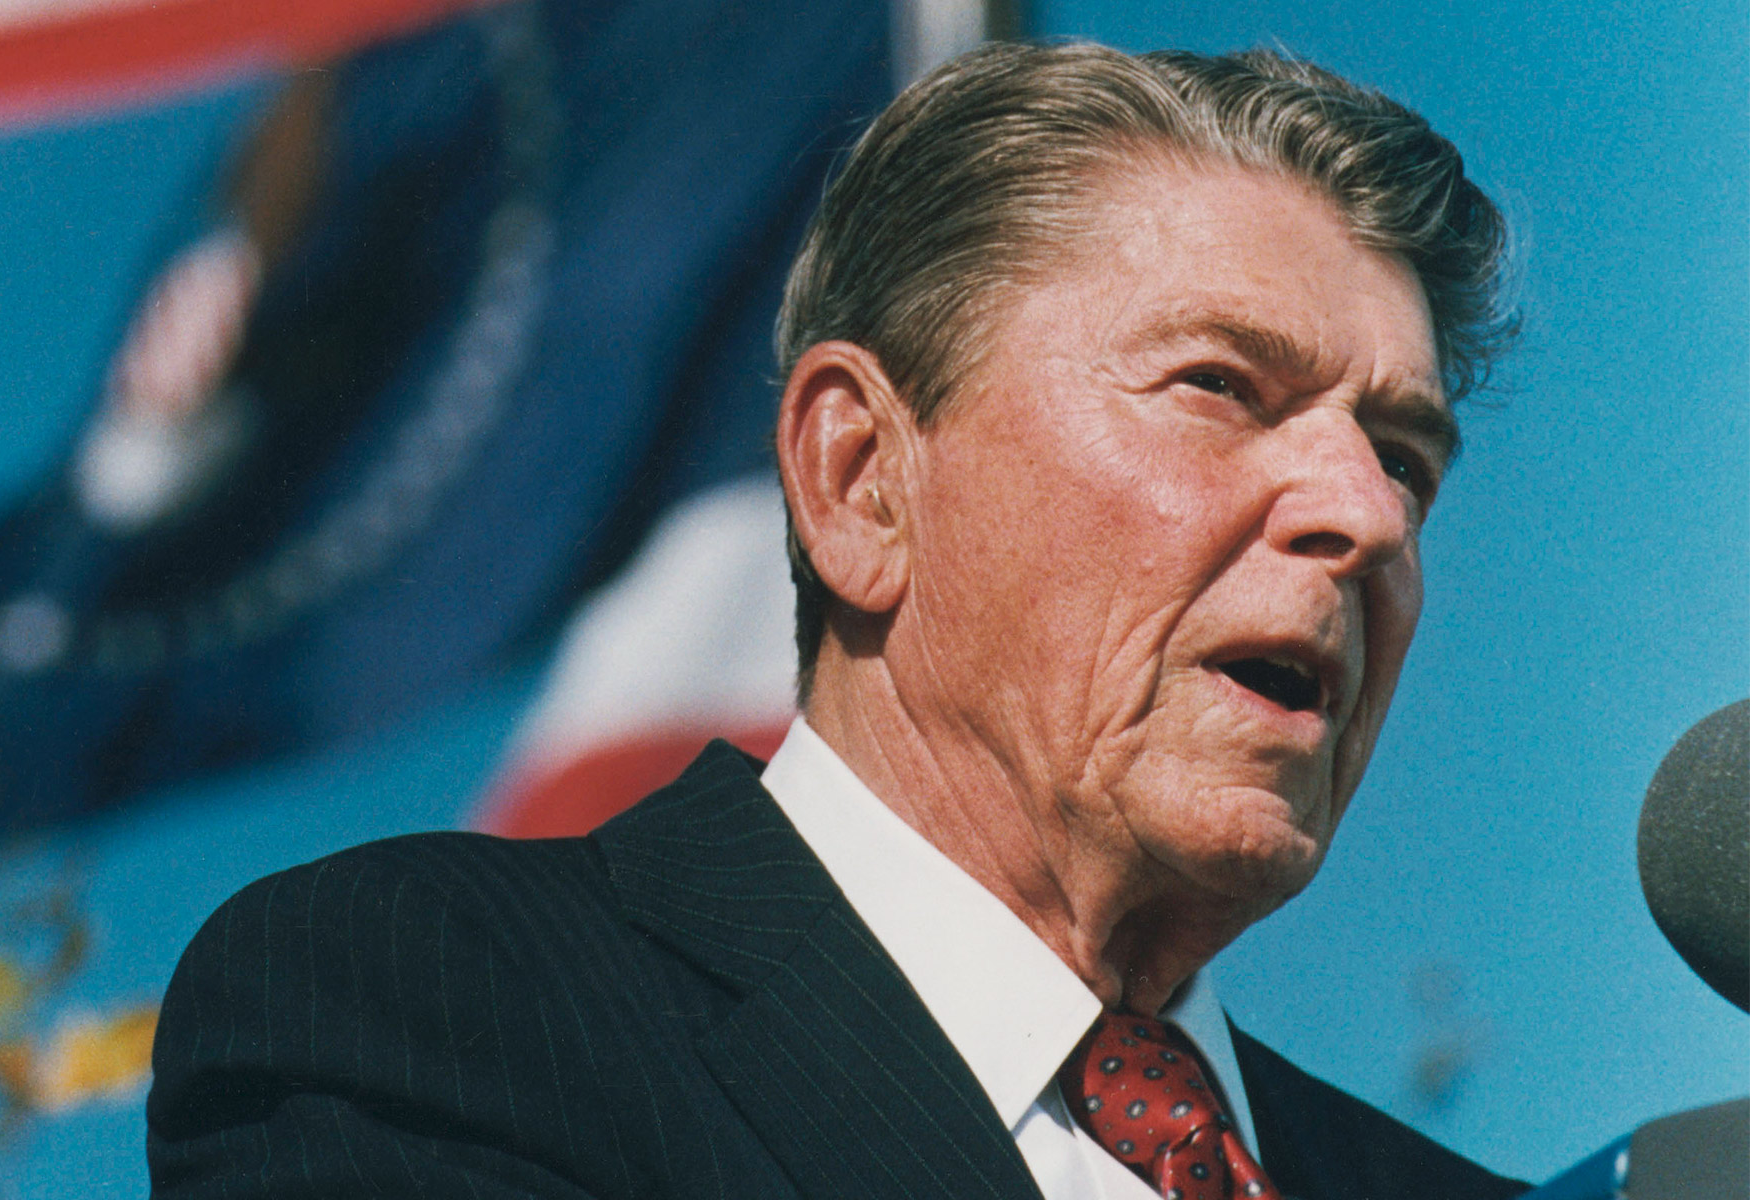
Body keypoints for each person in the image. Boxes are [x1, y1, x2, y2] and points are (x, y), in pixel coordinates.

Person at [147, 41, 1528, 1199]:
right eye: (1221, 386)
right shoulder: (427, 1015)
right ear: (862, 481)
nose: (1367, 515)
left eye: (1404, 459)